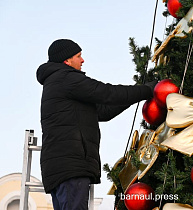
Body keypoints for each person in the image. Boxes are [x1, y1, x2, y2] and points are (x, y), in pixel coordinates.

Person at [36, 39, 156, 210]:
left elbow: (103, 111)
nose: (82, 60)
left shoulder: (58, 83)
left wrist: (134, 97)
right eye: (79, 56)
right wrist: (147, 90)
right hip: (71, 166)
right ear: (67, 61)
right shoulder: (66, 78)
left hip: (63, 168)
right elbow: (107, 93)